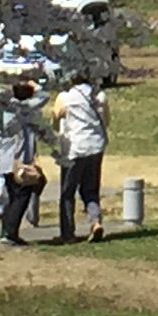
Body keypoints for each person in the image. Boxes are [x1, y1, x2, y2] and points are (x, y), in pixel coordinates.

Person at [53, 72, 109, 244]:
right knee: (91, 189)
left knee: (67, 192)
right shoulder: (99, 96)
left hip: (74, 148)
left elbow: (55, 123)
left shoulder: (64, 97)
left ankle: (68, 233)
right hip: (95, 146)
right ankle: (95, 221)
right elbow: (106, 121)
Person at [0, 78, 45, 246]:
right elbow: (44, 96)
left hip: (6, 158)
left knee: (12, 196)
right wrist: (36, 85)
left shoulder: (8, 107)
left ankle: (6, 231)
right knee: (22, 196)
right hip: (20, 159)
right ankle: (10, 233)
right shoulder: (24, 108)